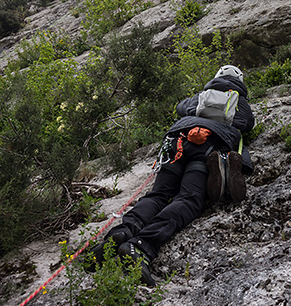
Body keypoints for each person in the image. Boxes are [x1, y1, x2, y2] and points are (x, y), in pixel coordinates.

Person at [87, 64, 254, 286]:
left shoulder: (202, 95)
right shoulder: (239, 100)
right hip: (207, 147)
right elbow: (247, 123)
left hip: (176, 143)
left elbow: (181, 108)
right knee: (189, 198)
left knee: (158, 194)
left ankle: (120, 233)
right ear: (240, 82)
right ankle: (140, 246)